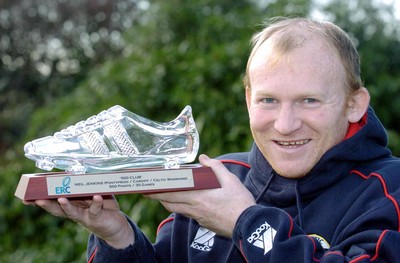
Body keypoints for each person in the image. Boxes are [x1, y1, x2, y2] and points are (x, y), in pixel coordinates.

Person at [24, 17, 400, 262]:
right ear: (248, 99)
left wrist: (243, 220)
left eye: (309, 101)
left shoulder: (388, 193)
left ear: (354, 105)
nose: (285, 125)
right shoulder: (222, 177)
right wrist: (117, 237)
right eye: (268, 100)